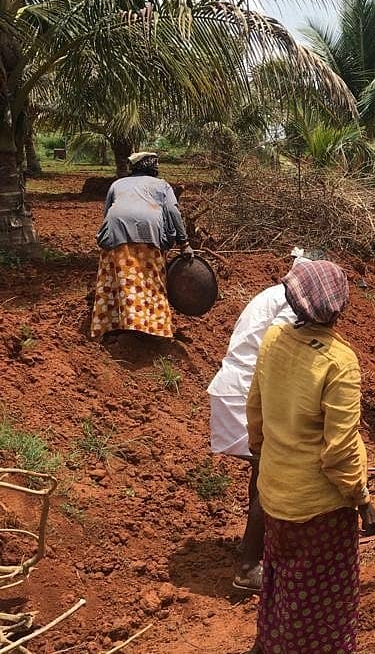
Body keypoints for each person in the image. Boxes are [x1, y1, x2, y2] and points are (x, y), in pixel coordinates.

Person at [246, 260, 375, 654]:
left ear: (294, 299)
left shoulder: (273, 339)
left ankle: (268, 644)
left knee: (281, 580)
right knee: (322, 606)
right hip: (319, 509)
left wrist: (264, 460)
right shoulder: (339, 362)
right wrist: (363, 501)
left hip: (274, 494)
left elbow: (254, 410)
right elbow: (339, 452)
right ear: (340, 306)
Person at [207, 250, 312, 593]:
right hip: (246, 391)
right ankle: (249, 566)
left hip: (239, 387)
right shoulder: (289, 304)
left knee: (262, 471)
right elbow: (277, 350)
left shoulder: (272, 294)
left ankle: (259, 548)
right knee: (272, 473)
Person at [91, 151, 193, 340]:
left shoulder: (118, 184)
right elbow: (173, 210)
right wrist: (184, 242)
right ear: (152, 168)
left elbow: (107, 212)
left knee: (120, 280)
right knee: (151, 281)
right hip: (149, 234)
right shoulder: (162, 185)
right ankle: (150, 328)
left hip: (115, 232)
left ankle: (114, 326)